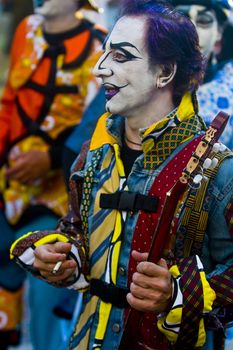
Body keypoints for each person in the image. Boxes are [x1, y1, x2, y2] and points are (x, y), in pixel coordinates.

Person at [10, 0, 233, 349]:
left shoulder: (218, 169)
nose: (99, 69)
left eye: (120, 56)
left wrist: (177, 293)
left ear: (165, 72)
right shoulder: (93, 154)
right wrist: (67, 256)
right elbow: (80, 228)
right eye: (103, 54)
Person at [0, 0, 106, 348]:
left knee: (48, 287)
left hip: (60, 194)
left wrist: (51, 157)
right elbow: (10, 101)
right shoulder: (26, 30)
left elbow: (100, 124)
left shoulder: (100, 43)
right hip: (10, 183)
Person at [173, 0, 233, 149]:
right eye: (181, 18)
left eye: (204, 21)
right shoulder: (142, 76)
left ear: (218, 32)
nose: (191, 29)